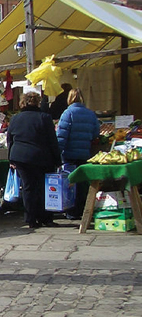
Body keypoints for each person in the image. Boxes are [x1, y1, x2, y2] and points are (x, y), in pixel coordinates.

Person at [7, 91, 59, 229]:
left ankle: (30, 219)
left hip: (20, 157)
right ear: (38, 102)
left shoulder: (15, 118)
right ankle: (45, 218)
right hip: (41, 156)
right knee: (42, 187)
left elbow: (10, 139)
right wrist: (57, 159)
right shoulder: (44, 117)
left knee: (28, 187)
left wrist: (10, 159)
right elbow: (52, 141)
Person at [56, 88, 100, 219]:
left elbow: (61, 136)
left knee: (69, 183)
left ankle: (71, 211)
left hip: (69, 154)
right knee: (82, 184)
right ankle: (82, 209)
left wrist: (57, 153)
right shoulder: (90, 114)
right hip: (84, 153)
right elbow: (95, 133)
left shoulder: (67, 113)